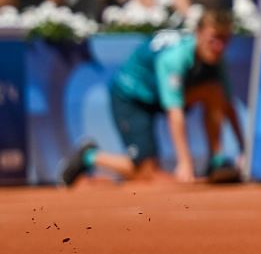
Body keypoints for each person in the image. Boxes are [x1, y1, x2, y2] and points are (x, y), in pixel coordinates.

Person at [60, 13, 243, 185]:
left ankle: (216, 160)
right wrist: (185, 163)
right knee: (146, 173)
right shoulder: (174, 58)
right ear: (198, 33)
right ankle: (89, 156)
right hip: (132, 97)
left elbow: (228, 105)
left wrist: (244, 152)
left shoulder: (217, 59)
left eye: (224, 40)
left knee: (213, 91)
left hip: (159, 94)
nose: (218, 46)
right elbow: (174, 112)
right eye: (213, 39)